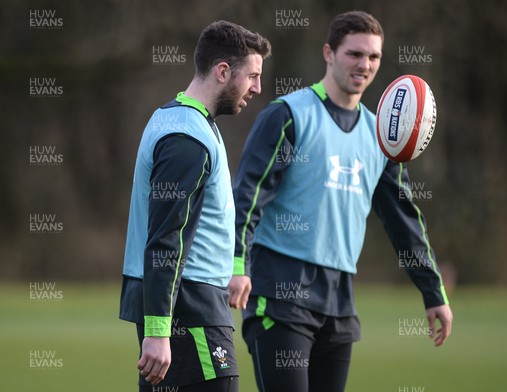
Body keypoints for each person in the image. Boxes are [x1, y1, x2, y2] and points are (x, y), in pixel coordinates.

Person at [228, 11, 452, 392]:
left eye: (374, 57)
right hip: (280, 293)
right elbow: (248, 196)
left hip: (339, 301)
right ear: (329, 53)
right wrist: (236, 262)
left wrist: (433, 292)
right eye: (354, 54)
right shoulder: (288, 115)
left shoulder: (382, 135)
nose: (364, 65)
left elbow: (403, 219)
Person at [119, 20, 271, 392]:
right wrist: (158, 330)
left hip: (190, 306)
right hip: (190, 312)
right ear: (223, 71)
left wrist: (233, 268)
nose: (257, 87)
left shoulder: (180, 120)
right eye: (251, 76)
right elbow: (165, 238)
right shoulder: (186, 138)